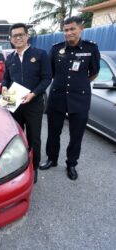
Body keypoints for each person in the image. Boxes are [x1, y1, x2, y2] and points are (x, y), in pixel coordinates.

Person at [40, 16, 100, 180]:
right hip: (57, 97)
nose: (69, 33)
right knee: (53, 132)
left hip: (79, 99)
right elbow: (50, 72)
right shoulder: (56, 49)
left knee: (76, 134)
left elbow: (94, 72)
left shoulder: (91, 48)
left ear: (81, 29)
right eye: (66, 30)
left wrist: (79, 84)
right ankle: (52, 159)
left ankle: (71, 164)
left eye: (72, 29)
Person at [2, 23, 52, 184]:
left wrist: (33, 93)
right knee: (15, 138)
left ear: (27, 36)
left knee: (33, 138)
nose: (18, 38)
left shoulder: (40, 54)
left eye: (20, 35)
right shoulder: (10, 58)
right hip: (14, 102)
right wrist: (3, 88)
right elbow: (6, 79)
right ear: (10, 39)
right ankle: (16, 168)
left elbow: (46, 78)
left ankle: (34, 167)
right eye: (14, 36)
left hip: (33, 103)